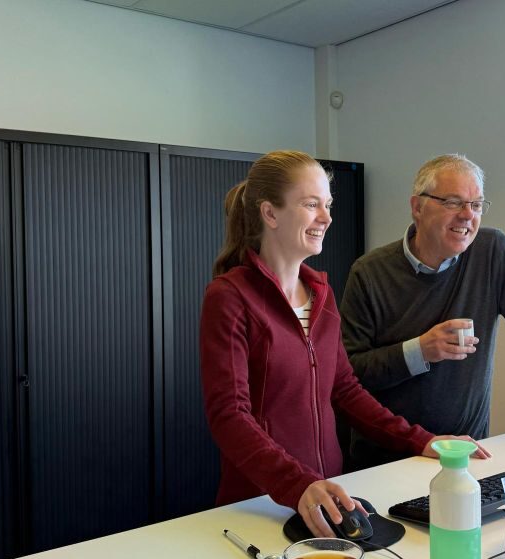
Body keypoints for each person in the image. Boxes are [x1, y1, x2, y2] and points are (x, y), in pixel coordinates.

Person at [199, 150, 481, 538]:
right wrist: (297, 484)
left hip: (328, 497)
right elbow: (229, 416)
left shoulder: (321, 294)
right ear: (270, 213)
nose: (327, 217)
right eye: (311, 204)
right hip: (259, 504)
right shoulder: (230, 297)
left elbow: (345, 390)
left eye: (328, 205)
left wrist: (422, 440)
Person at [340, 153, 505, 468]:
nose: (468, 215)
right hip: (386, 463)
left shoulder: (492, 252)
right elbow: (348, 374)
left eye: (476, 205)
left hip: (467, 455)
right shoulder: (369, 273)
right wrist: (419, 351)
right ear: (417, 207)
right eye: (453, 202)